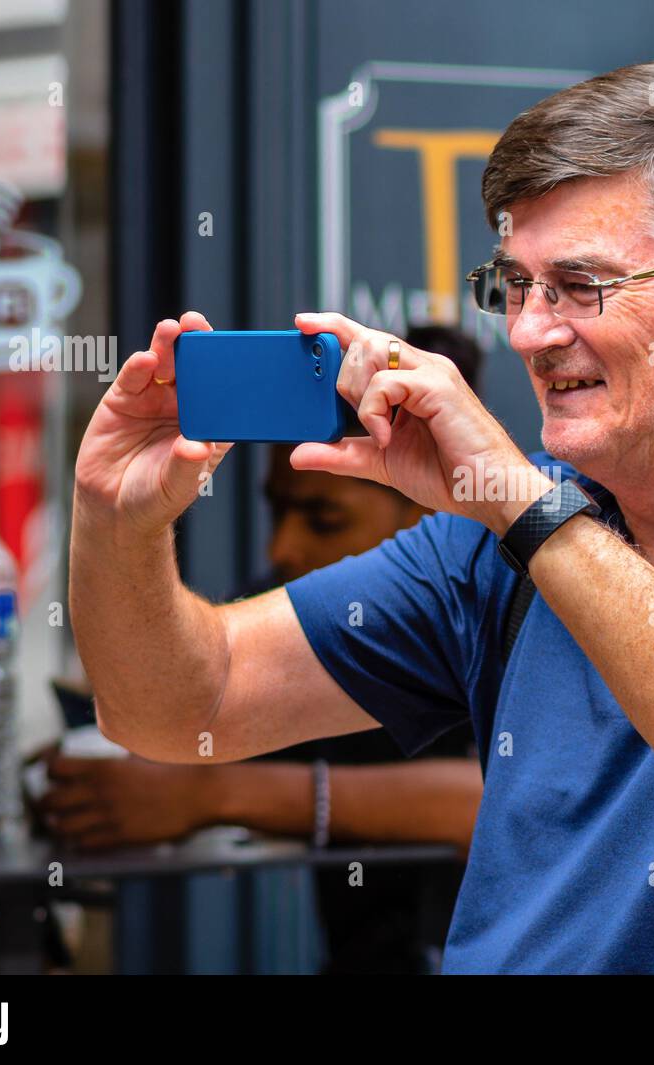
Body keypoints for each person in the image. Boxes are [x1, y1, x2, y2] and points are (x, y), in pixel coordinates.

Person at [70, 61, 654, 974]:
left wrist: (520, 504)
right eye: (515, 285)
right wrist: (119, 523)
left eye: (581, 285)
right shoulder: (503, 532)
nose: (527, 332)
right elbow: (181, 704)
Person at [44, 327, 484, 973]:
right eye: (276, 512)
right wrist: (118, 521)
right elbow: (190, 698)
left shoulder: (494, 575)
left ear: (429, 511)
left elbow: (491, 798)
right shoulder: (301, 592)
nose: (283, 547)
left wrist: (218, 793)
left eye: (324, 518)